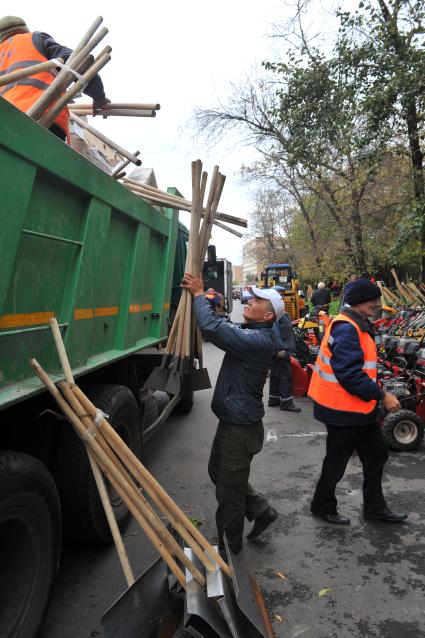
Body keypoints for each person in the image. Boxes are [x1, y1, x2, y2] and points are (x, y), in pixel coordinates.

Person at [182, 273, 282, 555]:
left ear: (268, 314)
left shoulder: (260, 341)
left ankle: (228, 551)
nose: (249, 301)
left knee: (229, 492)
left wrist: (200, 296)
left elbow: (212, 328)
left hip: (240, 428)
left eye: (257, 300)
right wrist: (211, 302)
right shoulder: (253, 334)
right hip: (233, 422)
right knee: (219, 473)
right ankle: (261, 511)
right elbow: (223, 324)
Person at [308, 278, 407, 525]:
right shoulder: (346, 327)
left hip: (358, 409)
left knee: (376, 454)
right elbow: (349, 374)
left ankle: (374, 507)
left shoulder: (356, 324)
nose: (376, 304)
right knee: (337, 461)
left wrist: (376, 391)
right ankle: (322, 505)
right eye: (373, 299)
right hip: (342, 410)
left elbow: (361, 369)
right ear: (361, 301)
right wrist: (383, 395)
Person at [0, 16, 110, 141]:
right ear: (24, 29)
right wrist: (99, 97)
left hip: (5, 123)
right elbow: (78, 64)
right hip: (45, 117)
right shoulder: (34, 38)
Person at [268, 287, 301, 413]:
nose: (282, 298)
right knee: (284, 376)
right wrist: (280, 348)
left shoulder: (276, 310)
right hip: (282, 350)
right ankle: (286, 402)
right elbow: (274, 331)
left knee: (276, 374)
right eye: (280, 295)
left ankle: (274, 399)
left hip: (278, 350)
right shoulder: (276, 312)